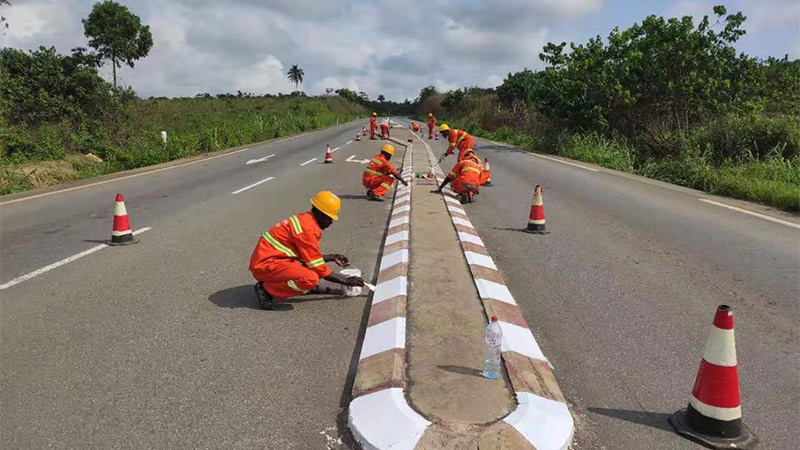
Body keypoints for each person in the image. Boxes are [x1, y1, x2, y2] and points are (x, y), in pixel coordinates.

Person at [249, 191, 365, 310]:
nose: (330, 223)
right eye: (330, 218)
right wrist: (345, 280)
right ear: (321, 213)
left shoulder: (306, 220)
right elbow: (318, 266)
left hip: (274, 261)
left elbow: (309, 257)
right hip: (265, 266)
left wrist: (333, 256)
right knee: (310, 278)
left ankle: (303, 287)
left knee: (311, 269)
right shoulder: (308, 229)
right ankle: (267, 290)